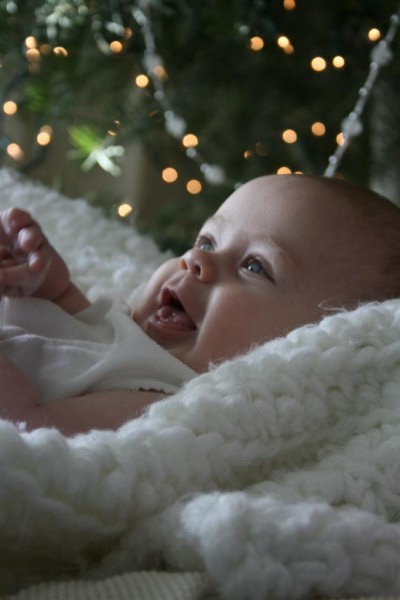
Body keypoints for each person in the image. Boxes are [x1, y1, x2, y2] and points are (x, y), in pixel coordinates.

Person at [1, 174, 399, 435]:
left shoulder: (161, 403)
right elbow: (77, 338)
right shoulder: (127, 333)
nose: (198, 260)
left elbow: (29, 426)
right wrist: (45, 286)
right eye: (207, 241)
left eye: (254, 266)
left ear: (304, 346)